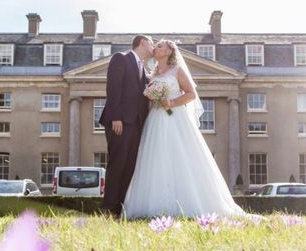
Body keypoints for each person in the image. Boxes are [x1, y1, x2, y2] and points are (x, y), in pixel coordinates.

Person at [122, 39, 247, 219]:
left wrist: (171, 102)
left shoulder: (177, 70)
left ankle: (189, 204)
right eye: (155, 45)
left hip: (175, 118)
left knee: (180, 156)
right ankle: (153, 206)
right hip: (155, 119)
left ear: (168, 52)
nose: (155, 48)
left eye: (159, 46)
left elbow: (191, 94)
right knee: (155, 158)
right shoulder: (152, 73)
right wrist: (154, 98)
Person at [99, 35, 154, 217]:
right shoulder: (120, 58)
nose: (153, 47)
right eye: (152, 43)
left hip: (136, 124)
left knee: (130, 166)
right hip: (120, 122)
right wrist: (116, 117)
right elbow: (113, 88)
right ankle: (108, 208)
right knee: (118, 163)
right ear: (143, 43)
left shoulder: (144, 69)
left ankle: (119, 209)